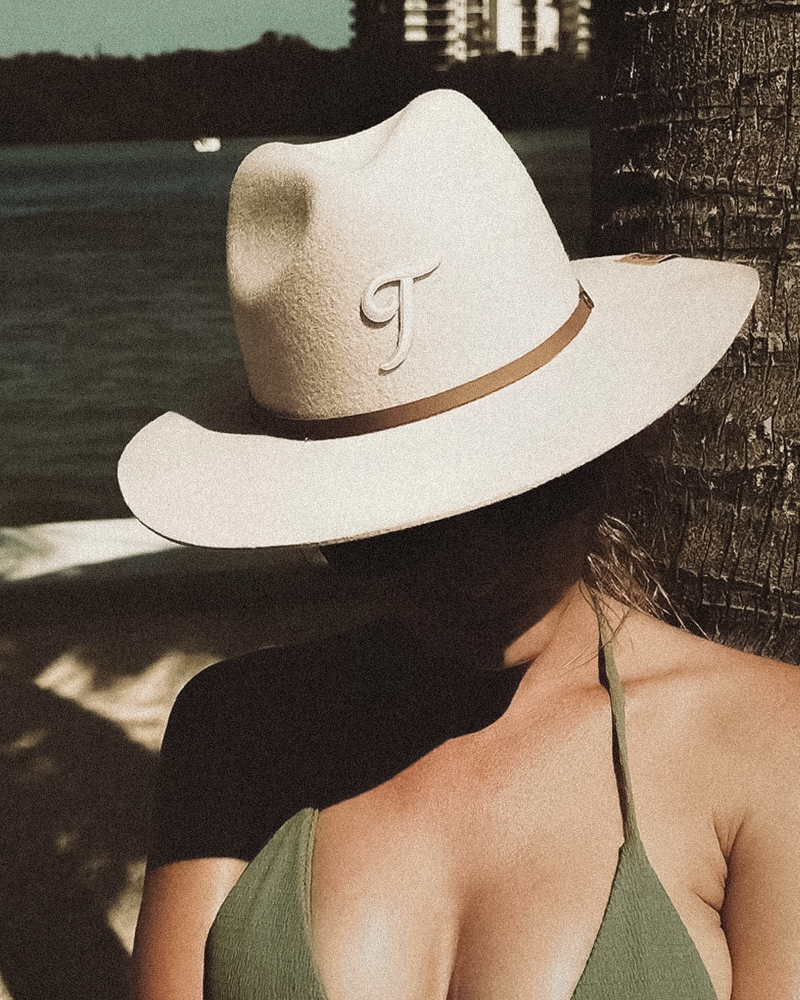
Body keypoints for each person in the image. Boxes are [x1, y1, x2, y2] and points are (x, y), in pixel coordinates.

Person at [119, 90, 799, 1000]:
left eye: (520, 495)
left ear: (611, 452)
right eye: (397, 531)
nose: (472, 568)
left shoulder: (766, 740)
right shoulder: (233, 733)